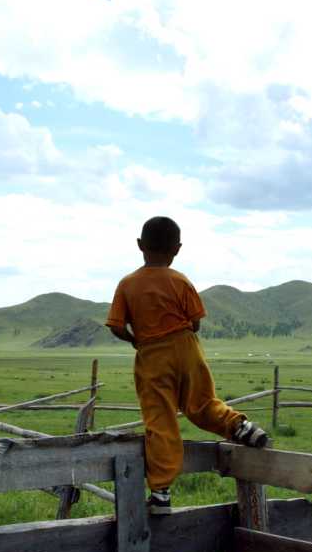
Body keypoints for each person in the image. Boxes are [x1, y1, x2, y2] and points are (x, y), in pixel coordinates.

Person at [106, 216, 270, 513]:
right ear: (177, 249)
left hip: (153, 355)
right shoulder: (181, 281)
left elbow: (115, 326)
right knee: (203, 402)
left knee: (161, 420)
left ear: (140, 245)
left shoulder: (128, 284)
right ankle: (241, 426)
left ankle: (161, 493)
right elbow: (195, 323)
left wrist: (135, 339)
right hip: (187, 349)